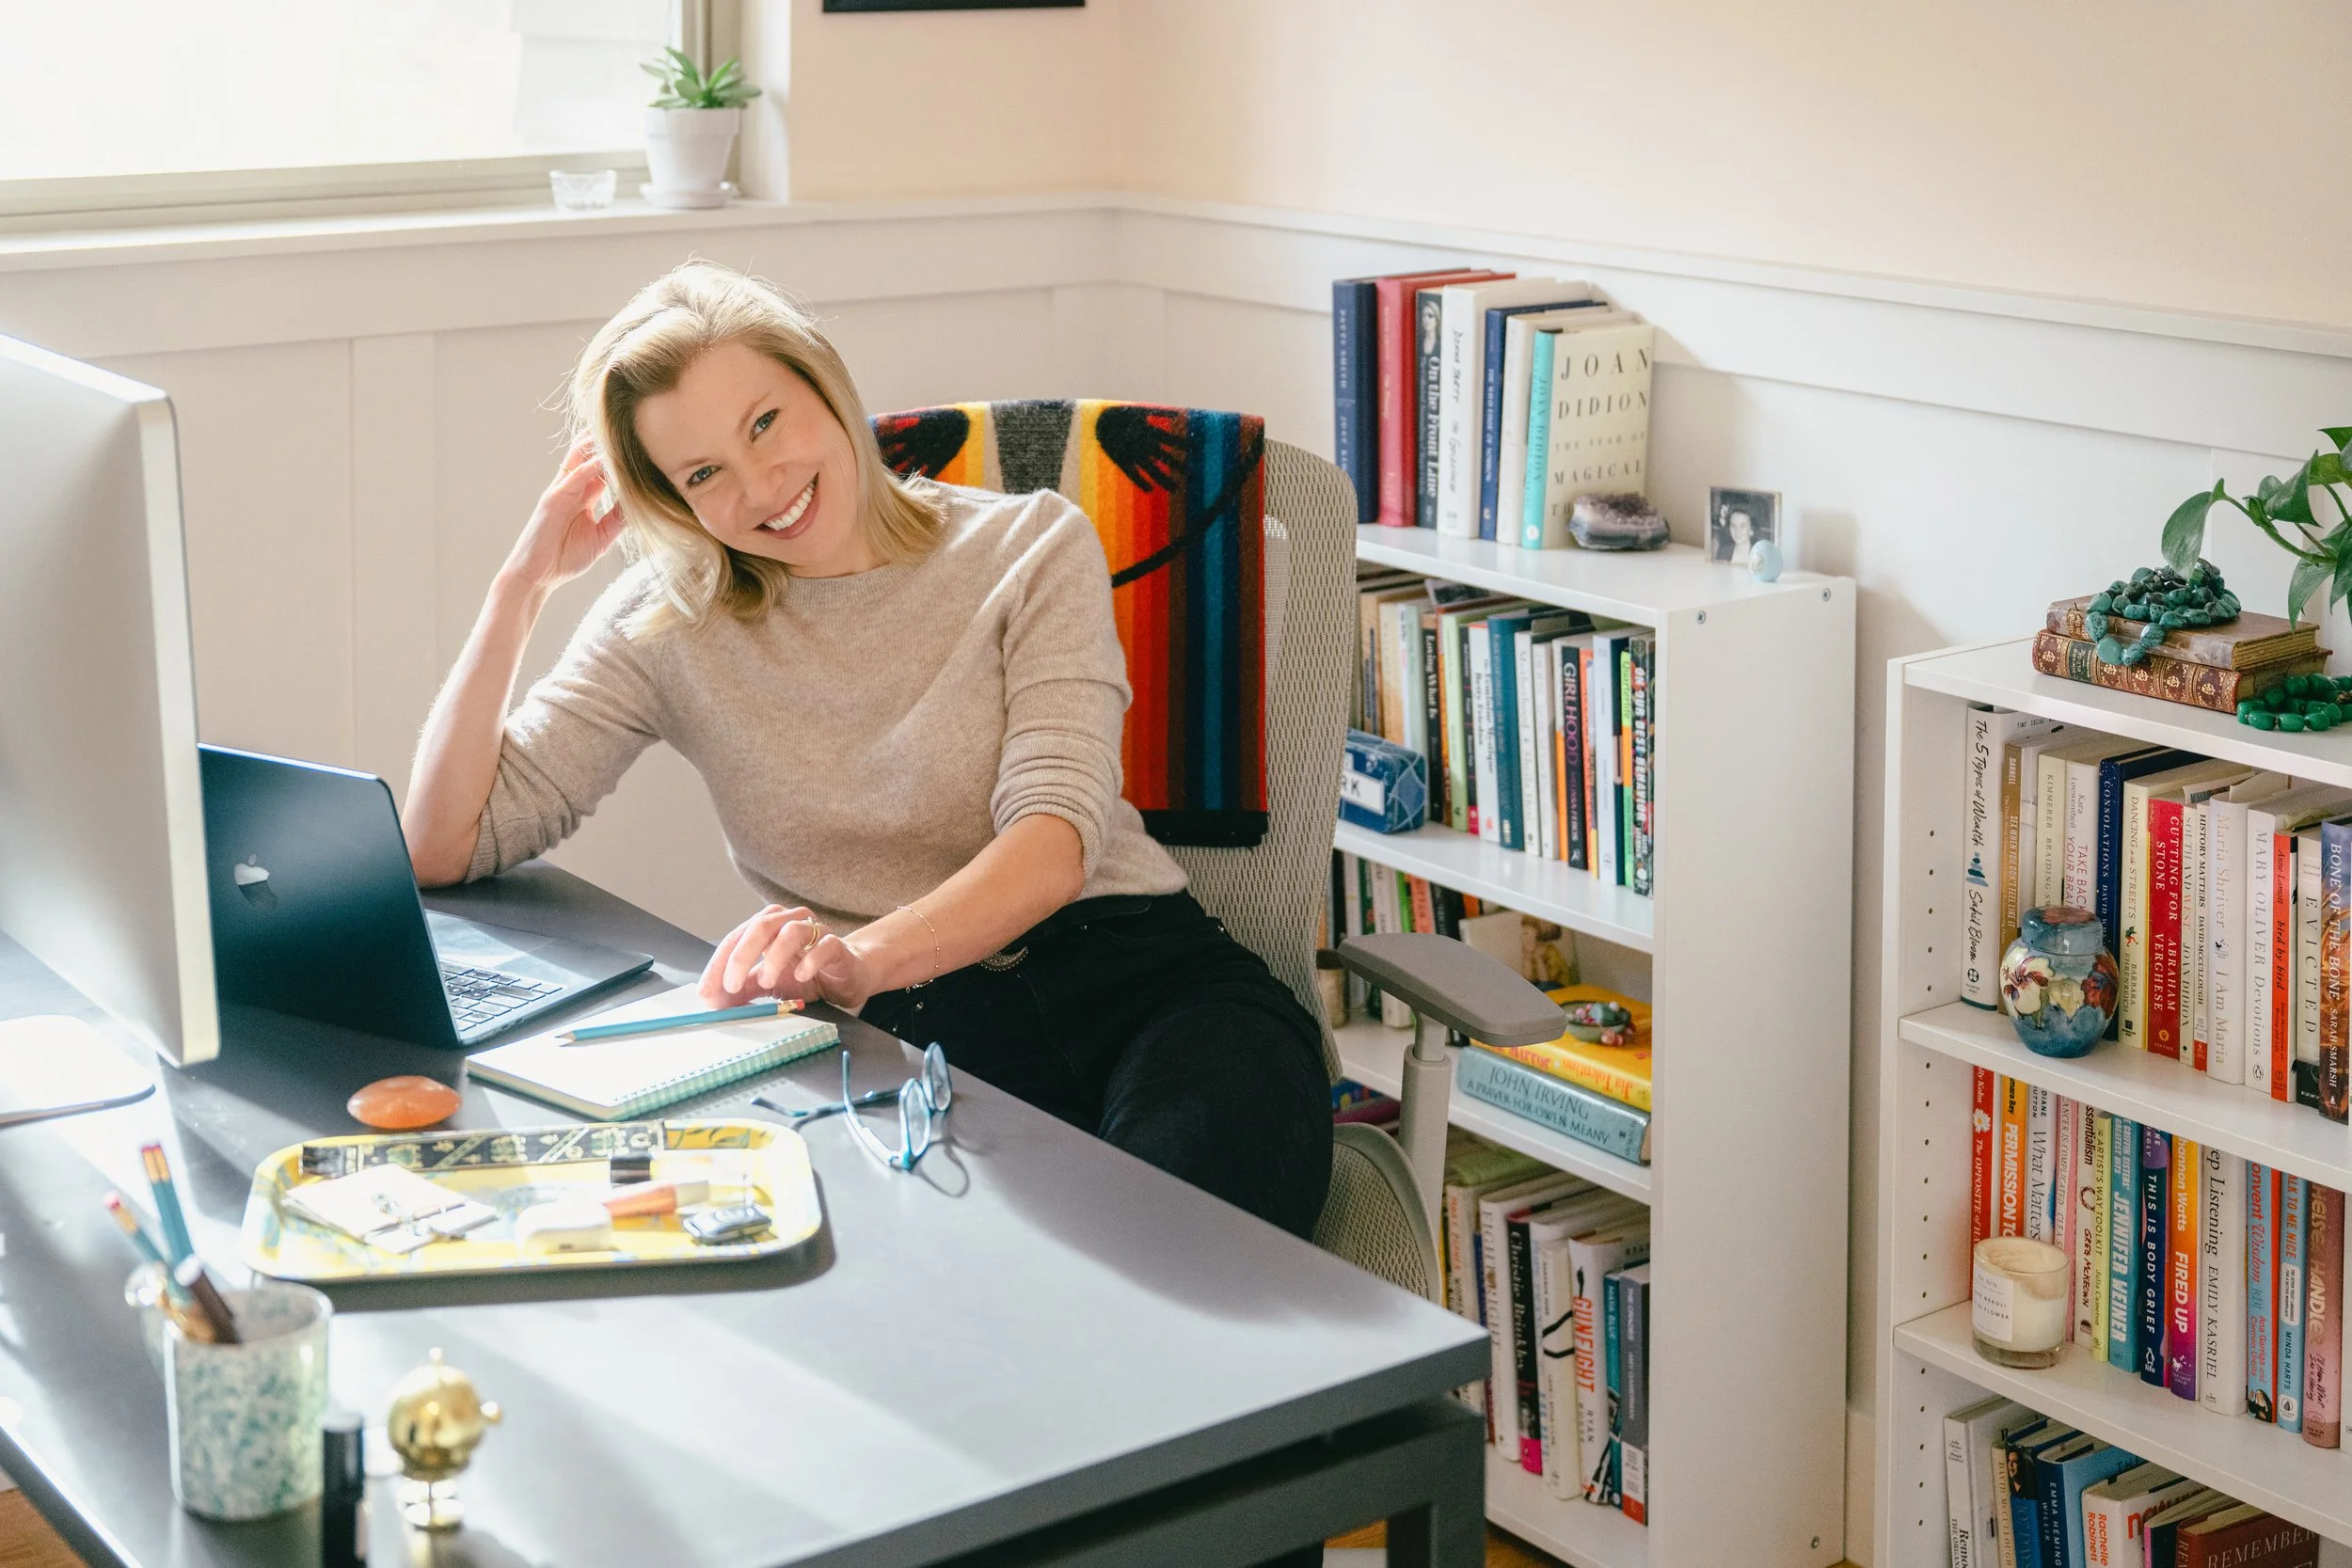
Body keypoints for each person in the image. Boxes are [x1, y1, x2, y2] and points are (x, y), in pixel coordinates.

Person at [401, 261, 1332, 1241]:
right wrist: (520, 588)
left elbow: (1055, 838)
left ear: (824, 381)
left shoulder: (1030, 546)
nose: (762, 486)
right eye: (704, 473)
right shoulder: (670, 621)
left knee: (1177, 1253)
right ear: (673, 502)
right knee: (989, 1301)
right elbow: (446, 845)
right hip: (917, 1037)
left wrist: (854, 959)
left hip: (1149, 986)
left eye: (764, 422)